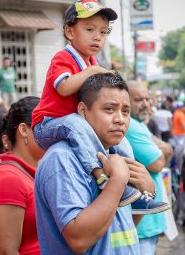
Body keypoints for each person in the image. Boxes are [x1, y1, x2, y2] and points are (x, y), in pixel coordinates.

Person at [32, 0, 164, 212]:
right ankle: (101, 177)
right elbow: (64, 88)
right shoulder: (63, 58)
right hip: (48, 124)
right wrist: (93, 72)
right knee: (76, 124)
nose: (97, 37)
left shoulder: (90, 61)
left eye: (103, 32)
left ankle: (134, 190)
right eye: (90, 29)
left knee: (124, 144)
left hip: (76, 123)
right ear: (70, 32)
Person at [35, 73, 155, 254]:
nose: (120, 119)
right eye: (109, 109)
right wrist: (118, 181)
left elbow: (122, 224)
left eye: (125, 111)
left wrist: (145, 192)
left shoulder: (115, 154)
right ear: (83, 111)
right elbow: (79, 239)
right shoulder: (62, 159)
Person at [0, 97, 43, 254]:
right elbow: (7, 251)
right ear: (24, 130)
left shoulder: (31, 174)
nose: (54, 133)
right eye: (46, 125)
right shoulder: (8, 179)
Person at [125, 81, 173, 255]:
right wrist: (162, 149)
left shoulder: (140, 124)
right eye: (138, 99)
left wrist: (162, 148)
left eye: (147, 98)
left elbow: (166, 148)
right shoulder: (129, 125)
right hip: (141, 225)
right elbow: (158, 162)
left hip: (147, 219)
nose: (145, 103)